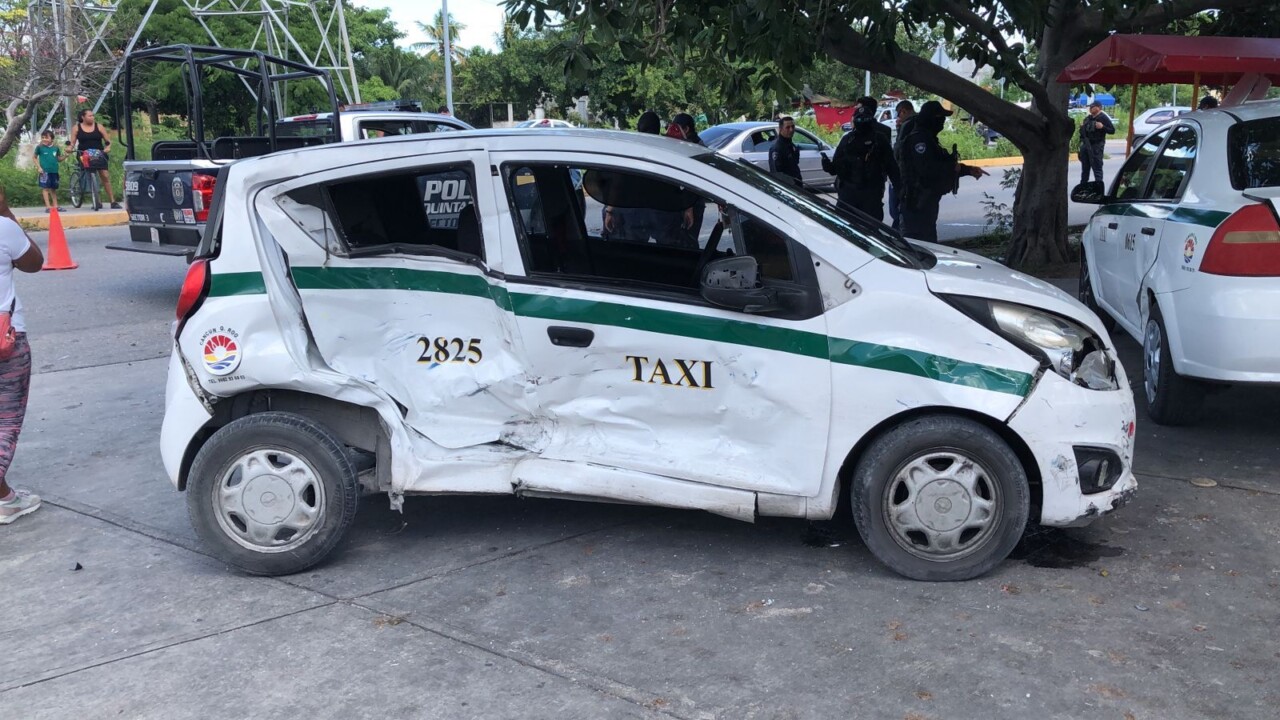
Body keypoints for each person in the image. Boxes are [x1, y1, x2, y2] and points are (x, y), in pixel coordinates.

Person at [0, 187, 44, 525]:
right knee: (6, 419)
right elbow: (34, 263)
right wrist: (7, 212)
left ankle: (5, 497)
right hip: (6, 341)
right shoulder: (4, 229)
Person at [899, 100, 988, 242]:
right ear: (933, 119)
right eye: (941, 118)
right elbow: (926, 169)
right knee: (918, 246)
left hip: (927, 201)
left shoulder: (929, 138)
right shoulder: (919, 140)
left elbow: (943, 163)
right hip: (917, 202)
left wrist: (968, 170)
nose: (943, 122)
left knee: (928, 242)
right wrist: (953, 168)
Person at [822, 104, 899, 222]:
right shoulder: (848, 140)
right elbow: (835, 168)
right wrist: (827, 166)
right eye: (859, 118)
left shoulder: (879, 140)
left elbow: (892, 168)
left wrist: (900, 190)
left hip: (869, 195)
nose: (861, 121)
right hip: (850, 195)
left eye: (864, 119)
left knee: (870, 232)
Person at [67, 109, 121, 209]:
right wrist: (69, 148)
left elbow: (108, 141)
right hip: (84, 153)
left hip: (99, 153)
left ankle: (112, 201)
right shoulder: (76, 128)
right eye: (89, 116)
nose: (92, 117)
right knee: (90, 175)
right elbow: (72, 143)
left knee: (105, 175)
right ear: (83, 117)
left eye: (93, 116)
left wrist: (107, 148)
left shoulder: (99, 127)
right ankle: (97, 201)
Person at [889, 100, 916, 229]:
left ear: (904, 111)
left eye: (899, 114)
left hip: (903, 176)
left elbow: (898, 152)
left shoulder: (908, 125)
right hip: (911, 178)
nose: (898, 118)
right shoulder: (918, 123)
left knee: (897, 212)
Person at [1078, 100, 1114, 186]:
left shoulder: (1103, 118)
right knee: (1085, 170)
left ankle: (1098, 188)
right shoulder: (1088, 118)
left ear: (1099, 108)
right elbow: (1082, 134)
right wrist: (1082, 127)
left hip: (1096, 146)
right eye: (1090, 107)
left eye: (1093, 107)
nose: (1091, 109)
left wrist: (1102, 127)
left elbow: (1112, 130)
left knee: (1097, 169)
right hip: (1086, 145)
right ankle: (1083, 188)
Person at [34, 131, 64, 213]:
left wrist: (65, 155)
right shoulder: (39, 147)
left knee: (53, 188)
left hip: (54, 171)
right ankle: (48, 207)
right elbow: (34, 157)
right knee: (45, 188)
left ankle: (56, 206)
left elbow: (59, 159)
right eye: (43, 137)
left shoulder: (56, 148)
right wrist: (39, 167)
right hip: (44, 171)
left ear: (52, 139)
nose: (44, 139)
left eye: (46, 137)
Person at [768, 115, 803, 184]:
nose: (791, 130)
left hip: (796, 185)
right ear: (780, 129)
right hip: (788, 187)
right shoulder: (777, 148)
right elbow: (777, 173)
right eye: (787, 127)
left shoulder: (790, 145)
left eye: (792, 127)